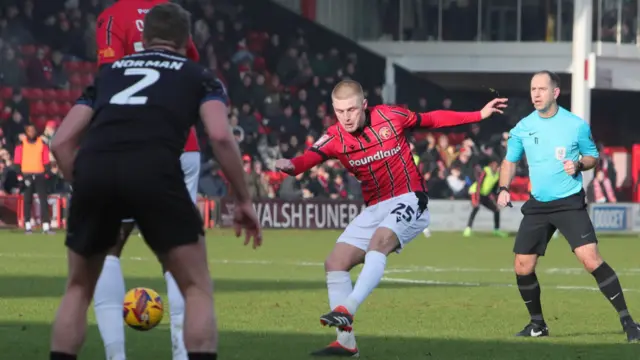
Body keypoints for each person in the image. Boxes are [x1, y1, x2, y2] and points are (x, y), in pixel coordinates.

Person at [48, 4, 262, 360]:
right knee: (196, 285)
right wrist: (243, 200)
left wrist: (84, 183)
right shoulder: (199, 76)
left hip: (98, 167)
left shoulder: (109, 74)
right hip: (156, 169)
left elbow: (60, 142)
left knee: (78, 288)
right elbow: (221, 136)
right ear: (187, 41)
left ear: (144, 39)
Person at [276, 80, 507, 356]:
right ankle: (346, 343)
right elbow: (309, 157)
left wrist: (477, 115)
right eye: (339, 111)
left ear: (363, 105)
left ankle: (347, 309)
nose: (346, 117)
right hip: (375, 207)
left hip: (409, 197)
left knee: (379, 242)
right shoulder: (335, 136)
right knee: (335, 262)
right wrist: (291, 166)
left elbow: (431, 119)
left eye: (351, 110)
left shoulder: (390, 115)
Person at [93, 1, 204, 359]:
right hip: (184, 144)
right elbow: (191, 70)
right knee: (178, 252)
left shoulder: (113, 16)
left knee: (108, 247)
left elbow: (111, 81)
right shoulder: (171, 13)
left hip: (132, 143)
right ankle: (182, 353)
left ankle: (116, 356)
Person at [497, 70, 640, 341]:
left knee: (590, 260)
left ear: (555, 92)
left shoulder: (575, 125)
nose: (536, 94)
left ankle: (629, 323)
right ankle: (537, 325)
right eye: (532, 89)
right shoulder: (523, 127)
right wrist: (504, 187)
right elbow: (510, 160)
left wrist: (578, 164)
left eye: (541, 89)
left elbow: (592, 157)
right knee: (522, 266)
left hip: (569, 202)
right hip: (538, 204)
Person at [14, 124, 53, 234]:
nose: (31, 133)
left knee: (43, 200)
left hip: (40, 174)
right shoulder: (21, 144)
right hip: (27, 174)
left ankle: (46, 226)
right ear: (26, 132)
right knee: (27, 200)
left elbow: (46, 159)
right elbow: (17, 160)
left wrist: (46, 173)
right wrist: (20, 175)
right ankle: (27, 226)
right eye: (29, 131)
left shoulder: (42, 143)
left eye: (33, 131)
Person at [463, 157, 507, 238]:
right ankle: (468, 229)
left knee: (496, 210)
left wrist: (496, 198)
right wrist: (478, 198)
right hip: (475, 192)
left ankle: (496, 230)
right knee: (476, 207)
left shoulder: (497, 175)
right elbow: (479, 184)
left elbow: (494, 189)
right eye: (494, 165)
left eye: (497, 166)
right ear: (491, 165)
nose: (496, 167)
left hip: (485, 194)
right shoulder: (486, 171)